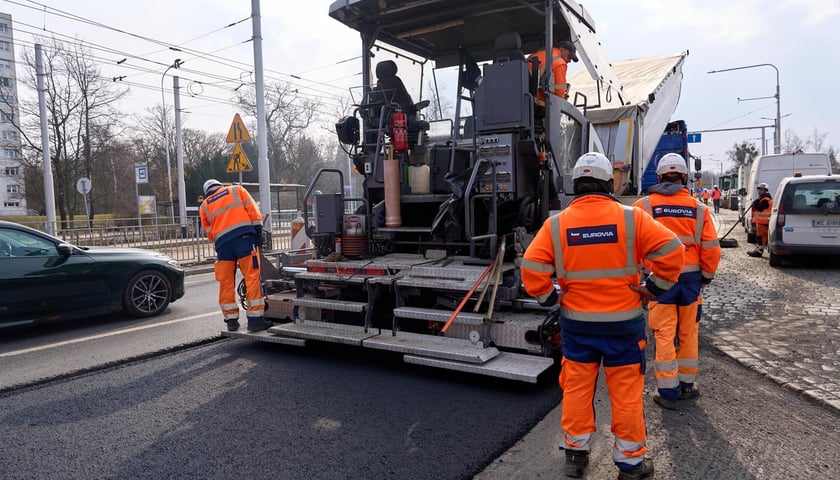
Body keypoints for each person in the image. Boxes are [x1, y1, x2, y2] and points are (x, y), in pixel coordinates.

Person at [521, 152, 684, 480]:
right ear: (609, 184)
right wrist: (653, 288)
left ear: (576, 185)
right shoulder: (632, 218)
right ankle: (630, 463)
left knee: (577, 388)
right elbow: (673, 250)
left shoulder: (556, 224)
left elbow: (531, 266)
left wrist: (550, 296)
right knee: (625, 392)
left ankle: (575, 453)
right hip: (623, 326)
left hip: (577, 326)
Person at [633, 153, 722, 410]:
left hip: (660, 280)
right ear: (684, 177)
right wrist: (705, 278)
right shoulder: (700, 209)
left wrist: (641, 277)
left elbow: (634, 248)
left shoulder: (643, 207)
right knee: (688, 332)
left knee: (663, 334)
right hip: (691, 282)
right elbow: (712, 250)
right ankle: (686, 384)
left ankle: (668, 391)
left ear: (659, 176)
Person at [199, 179, 272, 332]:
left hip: (223, 246)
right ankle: (255, 320)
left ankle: (231, 321)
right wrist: (258, 231)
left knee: (225, 282)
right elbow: (253, 210)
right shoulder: (236, 190)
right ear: (220, 186)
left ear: (206, 192)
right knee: (252, 277)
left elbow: (209, 233)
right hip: (244, 240)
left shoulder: (204, 206)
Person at [527, 39, 578, 108]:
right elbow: (559, 93)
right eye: (569, 56)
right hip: (537, 105)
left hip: (525, 98)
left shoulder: (535, 55)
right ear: (562, 50)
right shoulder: (559, 63)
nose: (569, 61)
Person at [748, 182, 773, 257]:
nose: (759, 191)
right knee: (759, 237)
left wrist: (755, 202)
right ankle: (757, 250)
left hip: (764, 222)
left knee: (761, 238)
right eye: (759, 190)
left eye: (761, 190)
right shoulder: (762, 199)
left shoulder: (766, 200)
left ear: (765, 190)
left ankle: (759, 252)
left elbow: (759, 207)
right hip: (761, 222)